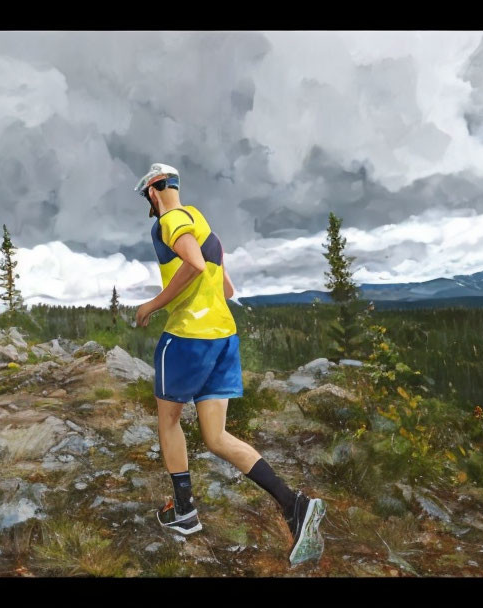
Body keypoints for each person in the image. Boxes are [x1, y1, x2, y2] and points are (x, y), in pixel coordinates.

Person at [132, 162, 326, 567]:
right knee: (216, 437)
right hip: (223, 337)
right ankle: (294, 505)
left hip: (187, 339)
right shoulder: (205, 225)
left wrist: (153, 304)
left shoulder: (169, 220)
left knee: (168, 421)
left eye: (146, 195)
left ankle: (183, 512)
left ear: (154, 191)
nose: (148, 202)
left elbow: (194, 265)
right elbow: (226, 285)